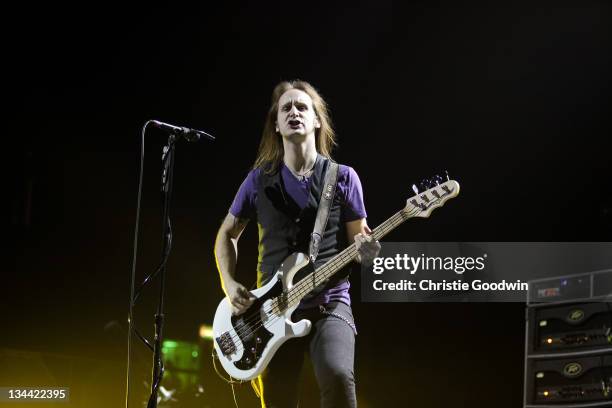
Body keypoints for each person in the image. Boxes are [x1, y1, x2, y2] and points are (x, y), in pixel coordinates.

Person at [214, 80, 380, 408]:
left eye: (302, 107)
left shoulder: (344, 178)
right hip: (269, 312)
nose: (294, 112)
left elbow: (361, 242)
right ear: (276, 124)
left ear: (317, 120)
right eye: (285, 108)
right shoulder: (258, 180)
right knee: (277, 399)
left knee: (337, 376)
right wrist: (229, 284)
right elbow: (226, 235)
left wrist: (369, 252)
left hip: (329, 305)